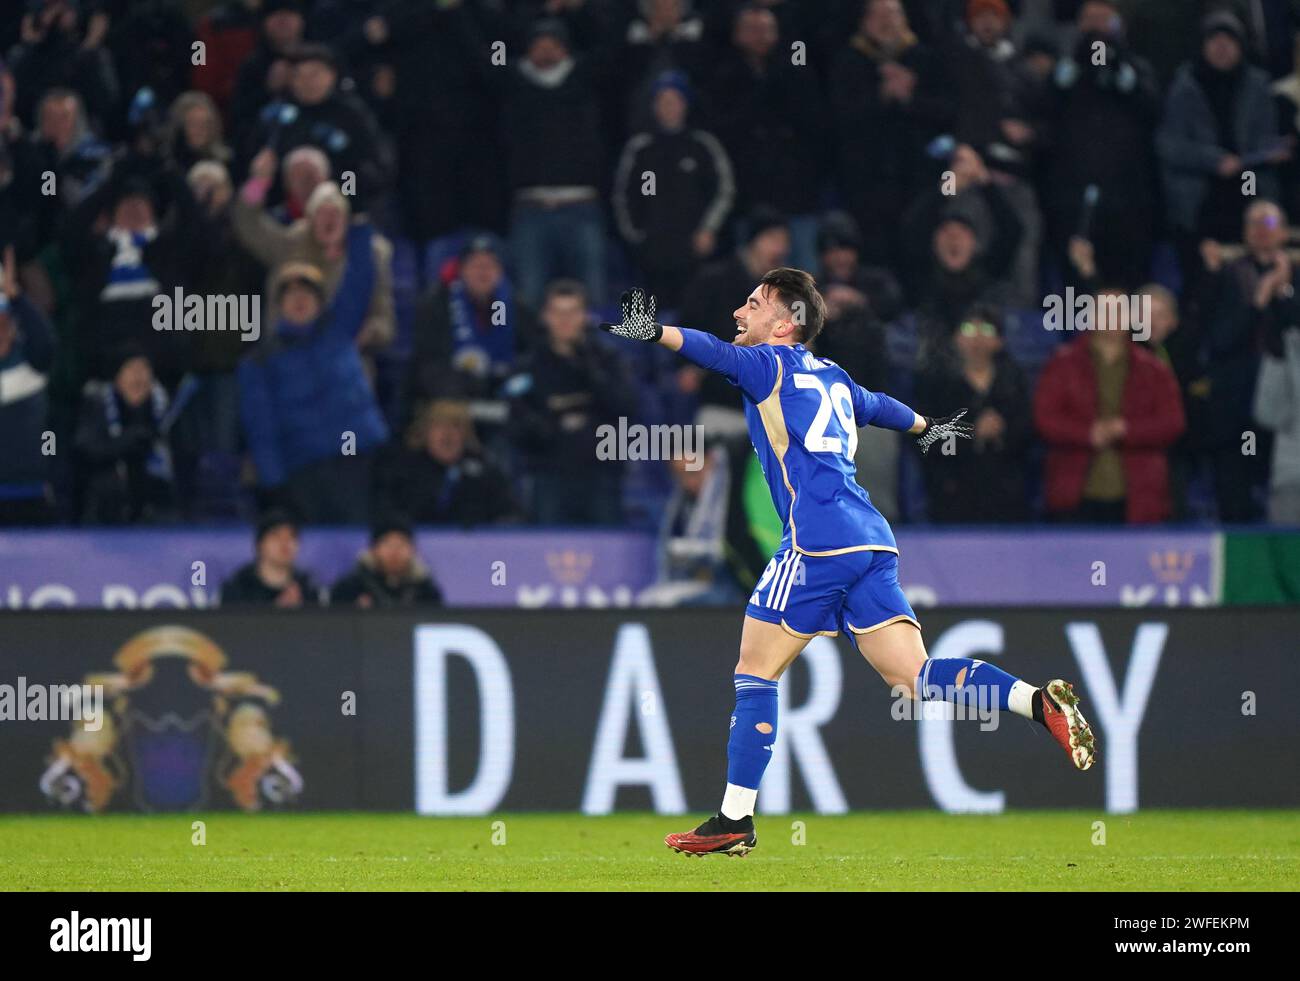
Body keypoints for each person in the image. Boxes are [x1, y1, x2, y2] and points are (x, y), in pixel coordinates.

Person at [600, 274, 1098, 858]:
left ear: (785, 323)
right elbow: (880, 406)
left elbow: (709, 350)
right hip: (871, 539)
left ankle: (735, 818)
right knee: (913, 678)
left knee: (755, 672)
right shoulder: (832, 376)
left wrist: (654, 331)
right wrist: (928, 427)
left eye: (754, 304)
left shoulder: (769, 365)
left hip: (816, 543)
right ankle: (1036, 703)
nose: (740, 310)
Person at [1034, 287, 1186, 524]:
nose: (1112, 318)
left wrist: (1127, 430)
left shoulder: (1154, 369)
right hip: (1074, 493)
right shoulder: (1062, 364)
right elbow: (1045, 418)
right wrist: (1087, 434)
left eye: (1119, 311)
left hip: (1138, 496)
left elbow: (1172, 422)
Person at [330, 516, 444, 608]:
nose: (394, 552)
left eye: (401, 545)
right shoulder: (352, 586)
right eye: (387, 544)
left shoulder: (425, 590)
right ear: (373, 549)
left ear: (413, 550)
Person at [220, 509, 322, 607]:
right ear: (259, 544)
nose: (285, 544)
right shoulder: (238, 587)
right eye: (276, 536)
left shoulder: (307, 586)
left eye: (292, 536)